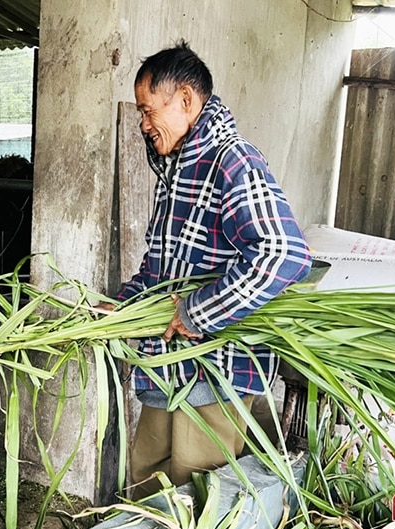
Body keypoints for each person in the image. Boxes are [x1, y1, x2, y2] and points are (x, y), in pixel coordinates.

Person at [100, 40, 312, 499]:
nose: (143, 123)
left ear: (186, 100)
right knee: (148, 481)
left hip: (215, 373)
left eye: (147, 110)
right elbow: (162, 272)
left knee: (197, 498)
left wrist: (198, 312)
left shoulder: (232, 160)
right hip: (165, 368)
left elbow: (283, 253)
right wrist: (120, 305)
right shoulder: (177, 171)